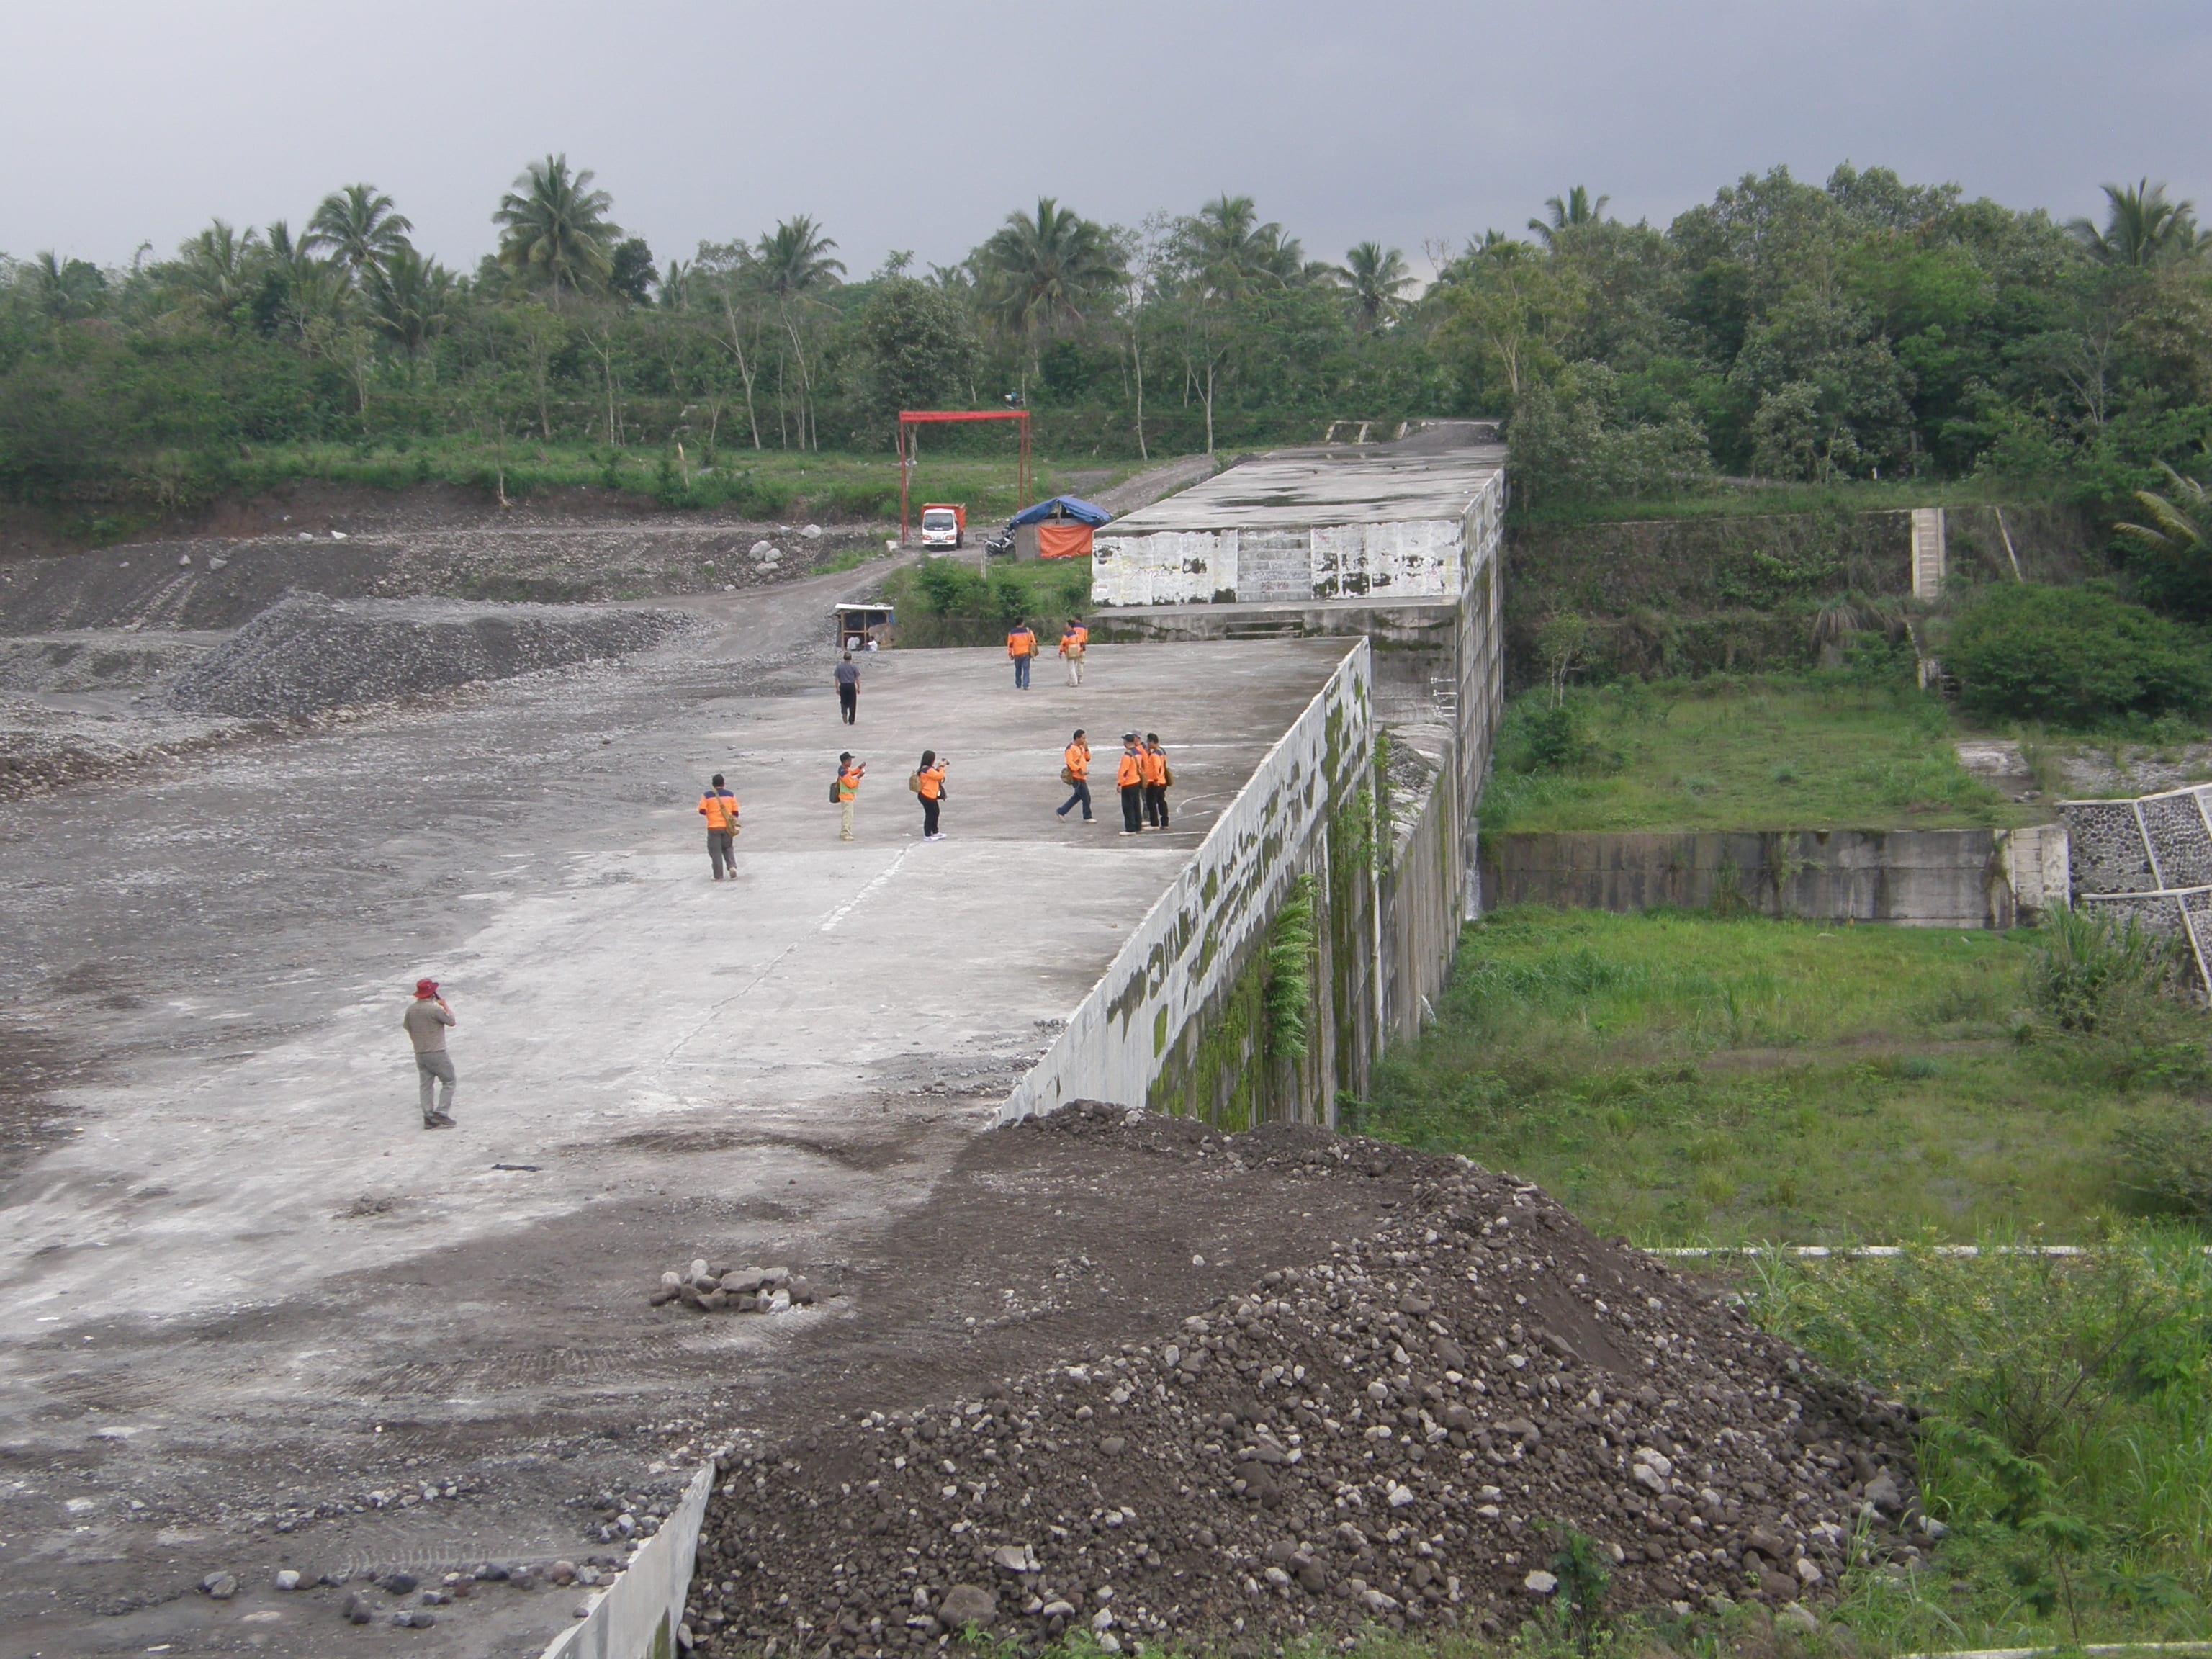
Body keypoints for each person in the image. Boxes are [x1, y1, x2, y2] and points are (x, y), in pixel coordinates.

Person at [403, 978, 457, 1129]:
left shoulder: (411, 1010)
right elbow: (452, 1021)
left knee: (426, 1085)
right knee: (449, 1081)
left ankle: (428, 1116)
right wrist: (444, 1005)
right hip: (437, 1051)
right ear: (432, 993)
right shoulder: (434, 1009)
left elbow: (407, 1027)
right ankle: (442, 1112)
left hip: (420, 1053)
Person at [698, 774, 740, 881]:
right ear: (723, 784)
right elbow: (735, 812)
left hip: (713, 827)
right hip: (727, 827)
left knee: (715, 852)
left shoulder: (706, 796)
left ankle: (718, 876)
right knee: (728, 847)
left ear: (713, 784)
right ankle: (732, 866)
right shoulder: (730, 795)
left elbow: (702, 810)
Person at [1056, 728, 1093, 822]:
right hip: (1076, 776)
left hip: (1082, 776)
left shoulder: (1081, 748)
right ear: (1077, 738)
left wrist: (1086, 749)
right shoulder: (1070, 749)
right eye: (1083, 739)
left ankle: (1061, 811)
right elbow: (1070, 762)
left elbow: (1087, 758)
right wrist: (1079, 770)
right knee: (1086, 796)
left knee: (1078, 796)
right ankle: (1087, 816)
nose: (1084, 741)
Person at [1115, 732, 1146, 835]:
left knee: (1127, 806)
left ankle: (1130, 828)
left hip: (1128, 783)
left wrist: (1120, 783)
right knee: (1136, 805)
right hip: (1136, 781)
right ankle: (1138, 826)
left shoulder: (1127, 755)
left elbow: (1123, 771)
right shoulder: (1138, 752)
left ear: (1126, 742)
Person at [915, 750, 948, 840]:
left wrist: (938, 768)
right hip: (927, 796)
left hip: (929, 795)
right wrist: (941, 767)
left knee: (935, 813)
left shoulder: (925, 769)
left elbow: (935, 775)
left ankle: (935, 832)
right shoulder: (928, 770)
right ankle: (928, 835)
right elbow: (939, 776)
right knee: (930, 815)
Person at [1142, 732, 1172, 829]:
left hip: (1155, 782)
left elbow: (1157, 767)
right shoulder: (1162, 751)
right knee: (1161, 801)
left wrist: (1155, 779)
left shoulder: (1155, 755)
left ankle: (1154, 823)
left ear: (1151, 742)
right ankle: (1165, 822)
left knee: (1151, 803)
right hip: (1162, 781)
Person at [835, 751, 865, 841]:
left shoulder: (844, 769)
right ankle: (845, 833)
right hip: (846, 798)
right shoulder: (844, 773)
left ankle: (845, 832)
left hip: (847, 797)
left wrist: (859, 768)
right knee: (847, 816)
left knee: (848, 815)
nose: (851, 762)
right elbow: (851, 784)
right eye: (849, 760)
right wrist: (859, 777)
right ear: (845, 761)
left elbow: (851, 772)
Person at [1006, 621, 1037, 690]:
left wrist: (1010, 653)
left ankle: (1018, 684)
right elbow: (1033, 641)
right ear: (1022, 623)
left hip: (1017, 653)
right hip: (1026, 653)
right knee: (1026, 670)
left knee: (1018, 670)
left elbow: (1010, 644)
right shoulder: (1028, 631)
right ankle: (1025, 685)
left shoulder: (1012, 632)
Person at [1058, 616, 1089, 687]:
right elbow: (1082, 640)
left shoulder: (1067, 635)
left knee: (1071, 667)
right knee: (1076, 665)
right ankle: (1074, 679)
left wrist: (1060, 652)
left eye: (1066, 624)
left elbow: (1063, 643)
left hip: (1070, 651)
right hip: (1077, 650)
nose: (1065, 626)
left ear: (1069, 626)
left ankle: (1074, 682)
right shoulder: (1076, 633)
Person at [833, 652, 860, 725]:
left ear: (844, 658)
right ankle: (851, 720)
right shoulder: (853, 667)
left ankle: (844, 712)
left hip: (843, 686)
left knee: (843, 701)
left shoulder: (839, 667)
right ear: (851, 658)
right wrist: (858, 688)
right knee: (852, 703)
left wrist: (837, 688)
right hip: (851, 686)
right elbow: (857, 678)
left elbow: (836, 679)